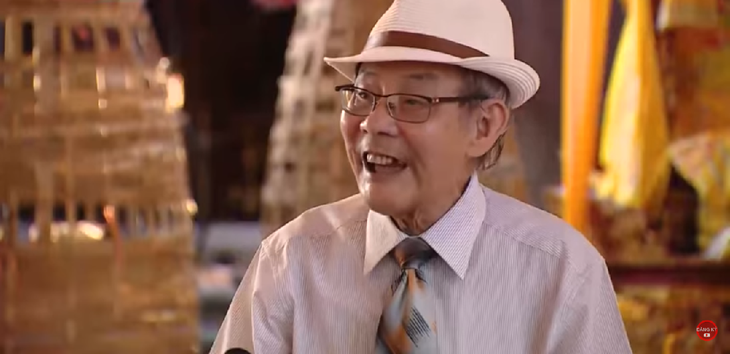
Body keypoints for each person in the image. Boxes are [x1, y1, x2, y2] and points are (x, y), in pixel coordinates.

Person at [210, 0, 633, 353]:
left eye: (412, 101)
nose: (373, 123)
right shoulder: (291, 263)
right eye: (363, 95)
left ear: (483, 126)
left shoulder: (563, 277)